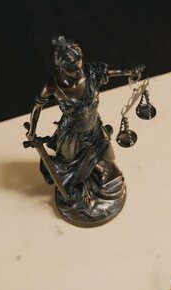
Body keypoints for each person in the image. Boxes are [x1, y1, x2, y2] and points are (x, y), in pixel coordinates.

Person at [24, 36, 144, 226]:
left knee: (108, 161)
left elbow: (114, 70)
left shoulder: (91, 72)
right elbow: (37, 107)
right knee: (71, 170)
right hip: (72, 135)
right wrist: (32, 130)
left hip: (93, 127)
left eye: (80, 65)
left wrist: (129, 69)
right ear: (61, 69)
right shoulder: (53, 85)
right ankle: (77, 193)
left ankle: (93, 179)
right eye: (73, 69)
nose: (79, 71)